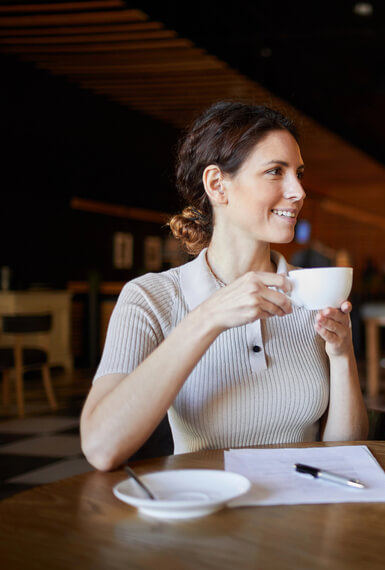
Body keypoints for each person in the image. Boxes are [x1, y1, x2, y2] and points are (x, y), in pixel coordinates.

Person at [81, 102, 368, 471]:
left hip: (301, 519)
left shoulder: (311, 293)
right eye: (275, 172)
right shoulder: (149, 298)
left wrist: (342, 356)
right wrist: (209, 317)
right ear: (218, 184)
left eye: (297, 173)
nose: (298, 191)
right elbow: (102, 448)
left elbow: (346, 454)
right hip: (206, 517)